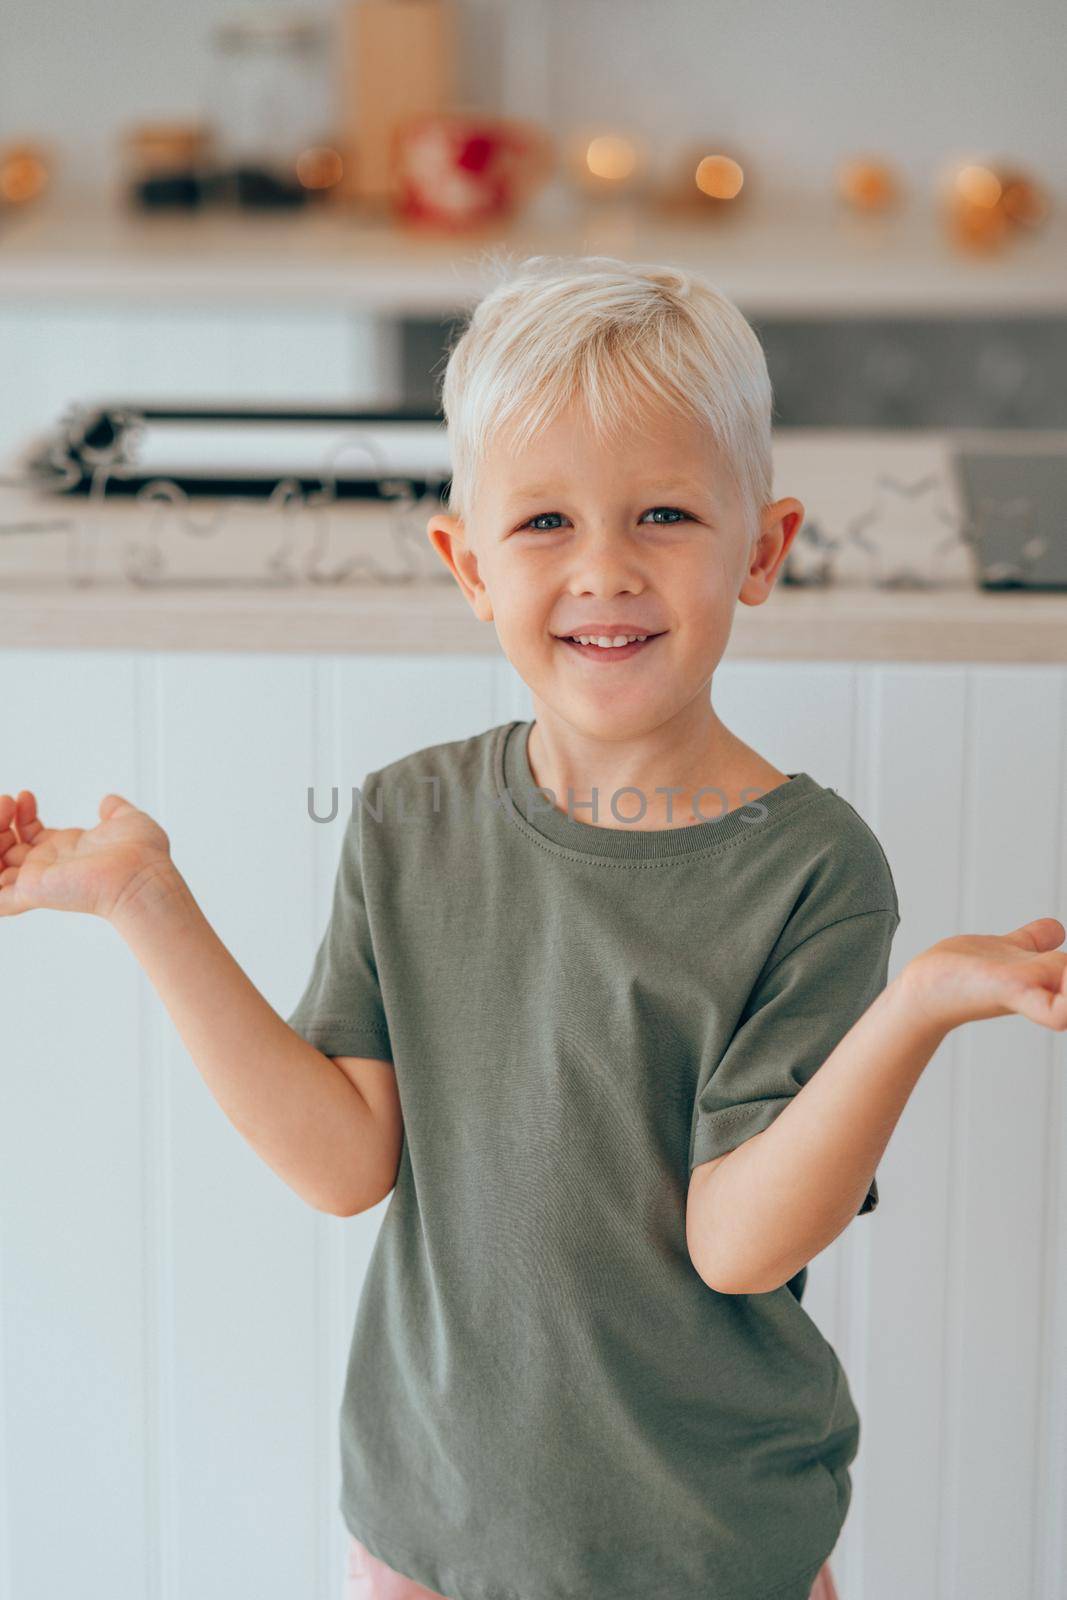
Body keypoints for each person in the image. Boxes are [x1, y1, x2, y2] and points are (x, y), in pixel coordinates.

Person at [2, 255, 1064, 1600]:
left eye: (665, 513)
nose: (604, 570)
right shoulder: (404, 820)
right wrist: (148, 903)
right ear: (467, 564)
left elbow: (737, 1242)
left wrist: (913, 1007)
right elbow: (341, 1161)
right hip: (431, 1530)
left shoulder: (813, 869)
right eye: (545, 523)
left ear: (764, 550)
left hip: (715, 1546)